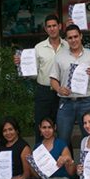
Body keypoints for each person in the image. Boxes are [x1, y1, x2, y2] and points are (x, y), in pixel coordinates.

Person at [13, 14, 68, 144]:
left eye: (54, 25)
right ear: (45, 29)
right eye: (49, 26)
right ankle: (39, 160)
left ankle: (64, 159)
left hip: (63, 92)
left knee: (63, 127)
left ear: (59, 27)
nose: (52, 29)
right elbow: (34, 73)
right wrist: (22, 64)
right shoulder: (38, 48)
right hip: (44, 92)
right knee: (41, 126)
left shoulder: (67, 45)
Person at [50, 24, 90, 149]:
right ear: (66, 39)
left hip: (86, 102)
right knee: (62, 138)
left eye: (76, 36)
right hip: (66, 102)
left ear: (81, 36)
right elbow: (53, 79)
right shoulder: (59, 56)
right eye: (70, 38)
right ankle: (67, 167)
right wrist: (59, 89)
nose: (73, 40)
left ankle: (89, 167)